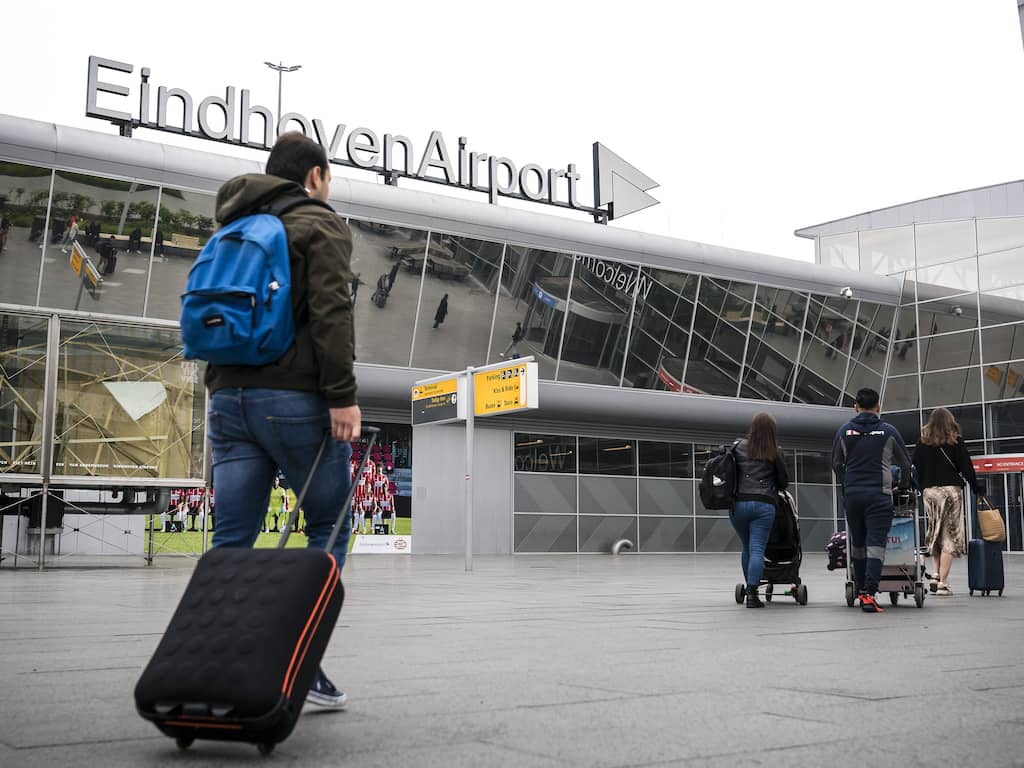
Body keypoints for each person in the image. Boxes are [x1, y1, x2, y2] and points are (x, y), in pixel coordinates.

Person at [201, 131, 360, 710]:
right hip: (294, 402)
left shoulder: (230, 225)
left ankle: (210, 662)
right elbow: (331, 312)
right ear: (314, 175)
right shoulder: (318, 223)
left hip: (228, 400)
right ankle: (298, 662)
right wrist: (342, 397)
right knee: (330, 527)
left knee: (232, 539)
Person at [832, 388, 913, 613]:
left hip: (854, 495)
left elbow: (836, 464)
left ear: (855, 407)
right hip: (879, 496)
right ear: (878, 407)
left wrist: (845, 485)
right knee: (876, 545)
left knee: (857, 544)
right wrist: (903, 487)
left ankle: (860, 590)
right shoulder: (888, 431)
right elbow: (905, 464)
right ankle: (869, 594)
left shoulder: (844, 431)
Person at [912, 407, 983, 596]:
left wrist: (921, 488)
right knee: (950, 535)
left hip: (930, 493)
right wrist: (976, 487)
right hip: (951, 491)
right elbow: (967, 467)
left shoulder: (922, 443)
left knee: (935, 533)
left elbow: (915, 468)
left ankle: (935, 574)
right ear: (950, 421)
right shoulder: (956, 441)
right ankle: (942, 583)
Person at [729, 413, 789, 608]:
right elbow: (783, 482)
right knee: (757, 548)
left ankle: (749, 588)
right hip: (763, 505)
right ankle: (753, 594)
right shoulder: (775, 451)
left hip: (738, 504)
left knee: (746, 547)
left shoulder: (738, 447)